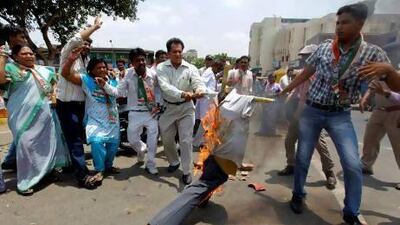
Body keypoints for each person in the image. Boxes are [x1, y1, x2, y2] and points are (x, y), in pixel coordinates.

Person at [280, 3, 390, 224]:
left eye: (345, 22)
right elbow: (307, 71)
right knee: (302, 157)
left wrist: (370, 92)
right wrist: (288, 88)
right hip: (311, 110)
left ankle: (351, 213)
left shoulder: (373, 53)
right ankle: (298, 195)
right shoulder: (324, 47)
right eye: (337, 23)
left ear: (360, 24)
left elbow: (383, 80)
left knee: (352, 164)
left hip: (340, 115)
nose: (339, 27)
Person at [149, 89, 257, 225]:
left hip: (216, 161)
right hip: (217, 163)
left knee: (203, 187)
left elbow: (234, 147)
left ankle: (201, 199)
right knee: (196, 192)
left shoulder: (228, 117)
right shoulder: (232, 117)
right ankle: (161, 222)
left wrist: (240, 165)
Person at [0, 44, 70, 195]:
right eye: (24, 54)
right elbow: (0, 80)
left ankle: (46, 173)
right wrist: (3, 57)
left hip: (44, 114)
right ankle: (26, 180)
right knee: (25, 145)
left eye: (31, 53)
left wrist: (53, 95)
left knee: (46, 144)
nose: (29, 56)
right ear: (16, 56)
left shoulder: (44, 70)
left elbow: (53, 85)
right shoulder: (10, 69)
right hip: (20, 115)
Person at [278, 45, 337, 190]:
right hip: (300, 112)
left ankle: (329, 172)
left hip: (314, 113)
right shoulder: (303, 74)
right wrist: (284, 105)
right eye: (303, 56)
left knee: (320, 144)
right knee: (289, 140)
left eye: (307, 56)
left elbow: (309, 96)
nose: (304, 59)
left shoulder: (321, 73)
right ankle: (291, 165)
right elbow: (295, 92)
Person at [61, 48, 120, 185]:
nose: (102, 70)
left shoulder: (112, 80)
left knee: (112, 146)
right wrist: (71, 59)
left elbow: (118, 93)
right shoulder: (85, 80)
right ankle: (99, 169)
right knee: (96, 142)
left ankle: (108, 166)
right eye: (98, 67)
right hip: (95, 119)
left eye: (104, 67)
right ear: (91, 70)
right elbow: (65, 73)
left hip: (112, 119)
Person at [56, 17, 102, 189]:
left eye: (89, 44)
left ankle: (74, 165)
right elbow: (76, 39)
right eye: (85, 42)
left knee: (79, 138)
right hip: (67, 105)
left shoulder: (85, 62)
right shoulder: (67, 53)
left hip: (82, 106)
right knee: (75, 139)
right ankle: (82, 176)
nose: (86, 45)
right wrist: (95, 27)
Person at [99, 48, 161, 175]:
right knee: (132, 139)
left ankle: (150, 164)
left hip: (151, 112)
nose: (141, 62)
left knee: (153, 139)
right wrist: (105, 85)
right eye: (137, 60)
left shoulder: (154, 74)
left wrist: (159, 104)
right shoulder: (127, 74)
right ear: (132, 63)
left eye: (143, 59)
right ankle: (141, 149)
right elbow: (118, 92)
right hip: (134, 112)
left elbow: (160, 91)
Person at [156, 37, 206, 185]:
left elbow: (198, 82)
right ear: (168, 53)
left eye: (180, 51)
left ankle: (186, 171)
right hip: (169, 107)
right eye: (174, 52)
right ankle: (173, 162)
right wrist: (183, 93)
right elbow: (165, 87)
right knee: (166, 139)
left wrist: (199, 90)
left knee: (185, 140)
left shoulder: (191, 68)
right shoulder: (161, 68)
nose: (178, 54)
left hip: (186, 108)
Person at [360, 78, 400, 191]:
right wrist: (365, 99)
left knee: (398, 145)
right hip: (379, 111)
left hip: (396, 112)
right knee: (370, 138)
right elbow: (371, 89)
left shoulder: (396, 77)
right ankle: (366, 164)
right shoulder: (378, 77)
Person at [0, 24, 28, 172]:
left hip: (20, 96)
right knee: (22, 129)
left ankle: (10, 160)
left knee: (22, 128)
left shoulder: (16, 55)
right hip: (10, 98)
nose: (25, 41)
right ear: (11, 38)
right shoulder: (3, 53)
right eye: (22, 37)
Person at [193, 59, 225, 148]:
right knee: (205, 122)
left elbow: (211, 85)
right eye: (218, 69)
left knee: (206, 123)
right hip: (206, 100)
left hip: (209, 100)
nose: (218, 72)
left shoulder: (212, 73)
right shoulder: (208, 72)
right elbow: (202, 84)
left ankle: (200, 141)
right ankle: (197, 142)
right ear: (215, 66)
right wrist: (211, 92)